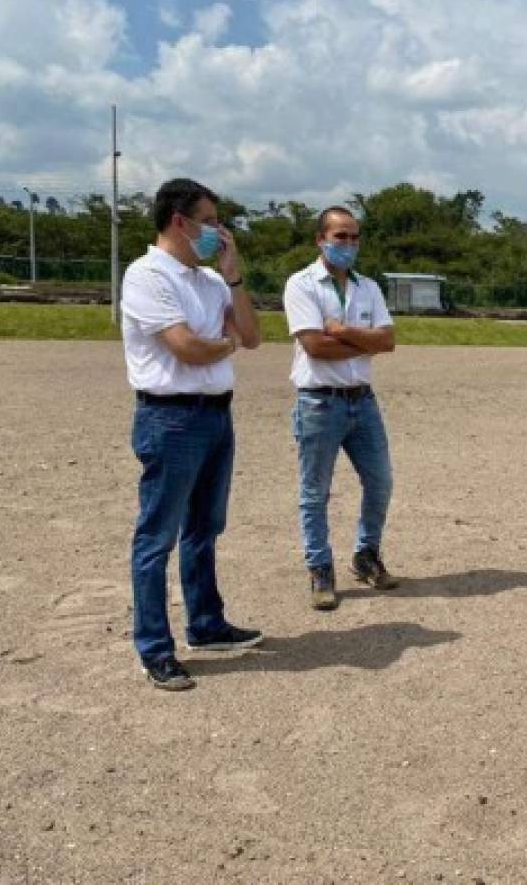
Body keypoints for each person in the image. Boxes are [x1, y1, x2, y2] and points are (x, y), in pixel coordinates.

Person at [120, 178, 263, 691]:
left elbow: (253, 335)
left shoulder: (208, 281)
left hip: (215, 415)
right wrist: (225, 344)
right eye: (210, 220)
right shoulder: (146, 276)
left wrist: (234, 276)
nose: (217, 231)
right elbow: (186, 347)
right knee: (156, 536)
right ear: (180, 221)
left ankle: (206, 625)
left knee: (205, 527)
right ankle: (155, 648)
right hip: (170, 418)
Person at [283, 206, 397, 610]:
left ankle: (366, 554)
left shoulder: (369, 288)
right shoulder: (302, 285)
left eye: (354, 237)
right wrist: (363, 340)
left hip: (362, 400)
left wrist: (344, 331)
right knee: (315, 492)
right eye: (340, 237)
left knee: (380, 481)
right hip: (320, 402)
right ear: (321, 239)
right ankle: (320, 567)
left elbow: (388, 341)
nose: (348, 244)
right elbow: (315, 346)